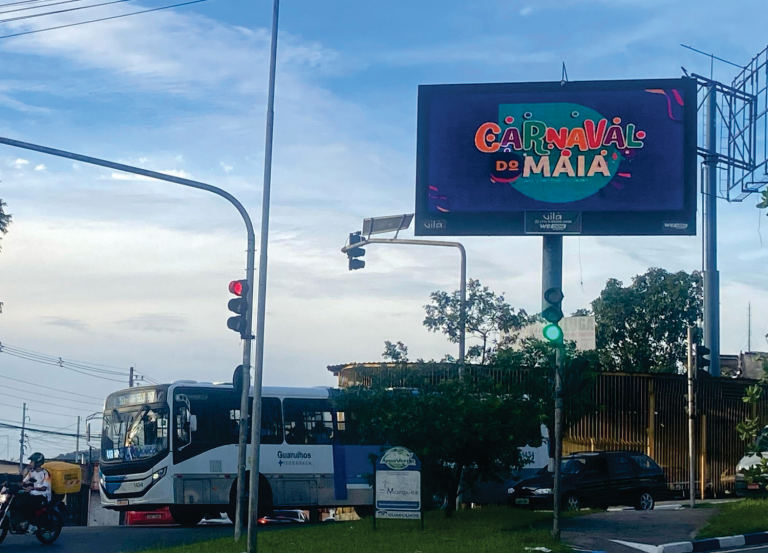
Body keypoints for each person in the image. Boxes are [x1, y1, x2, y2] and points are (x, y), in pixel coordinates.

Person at [15, 452, 51, 527]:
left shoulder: (45, 474)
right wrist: (14, 484)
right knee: (18, 501)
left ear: (38, 463)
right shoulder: (32, 472)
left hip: (42, 496)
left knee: (28, 505)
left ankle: (33, 524)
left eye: (32, 461)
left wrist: (32, 488)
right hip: (33, 494)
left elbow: (44, 488)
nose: (30, 463)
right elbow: (24, 482)